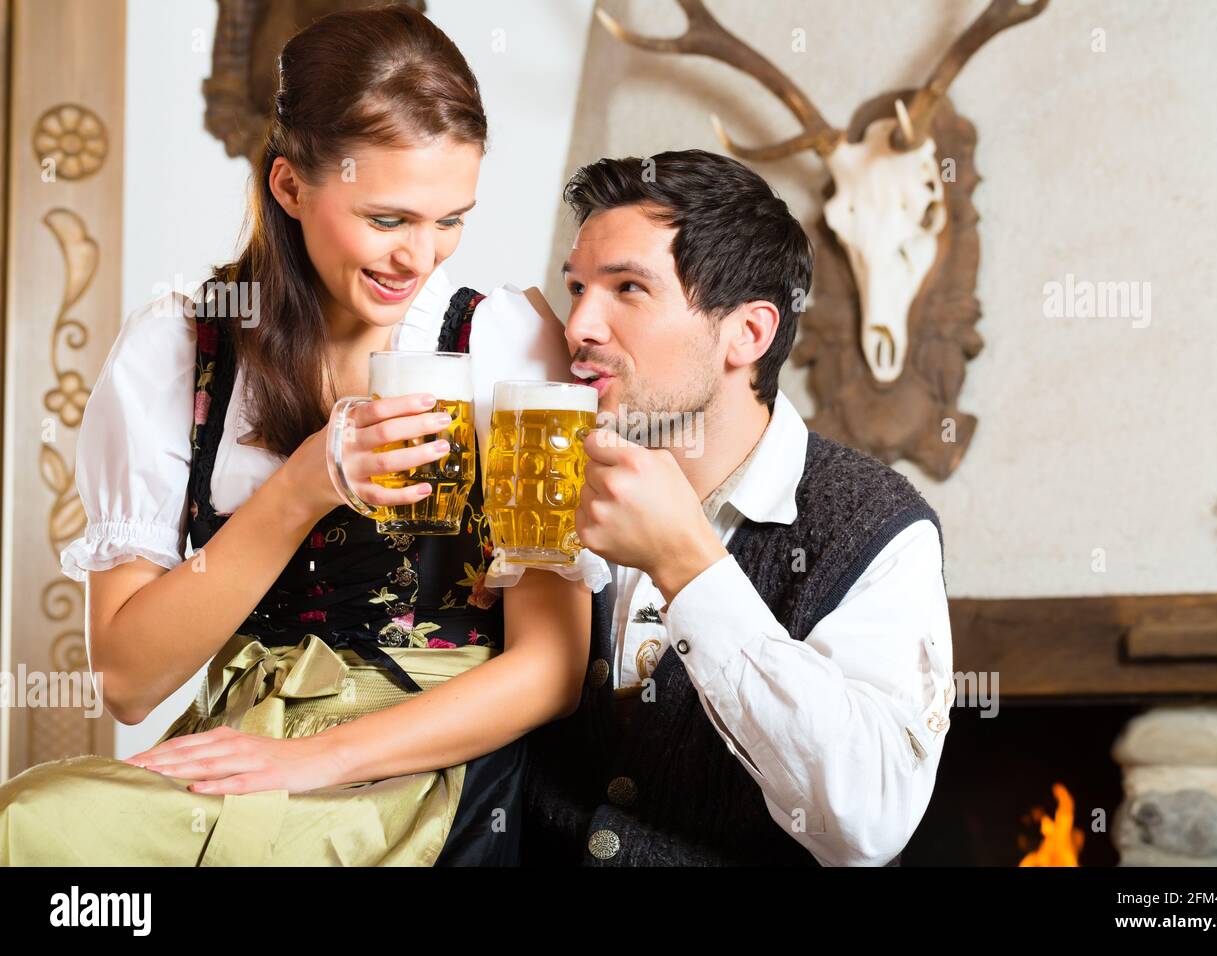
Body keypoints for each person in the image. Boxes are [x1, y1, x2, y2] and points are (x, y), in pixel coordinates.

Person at [0, 4, 589, 866]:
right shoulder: (181, 350)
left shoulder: (503, 342)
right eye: (387, 220)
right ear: (289, 186)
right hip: (242, 743)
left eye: (450, 219)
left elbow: (552, 670)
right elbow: (129, 682)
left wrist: (307, 761)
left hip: (422, 766)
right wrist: (307, 482)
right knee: (30, 823)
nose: (420, 257)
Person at [521, 149, 955, 866]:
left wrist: (687, 566)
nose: (580, 326)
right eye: (576, 289)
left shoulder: (878, 527)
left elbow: (872, 822)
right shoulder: (541, 473)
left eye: (628, 288)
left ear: (748, 334)